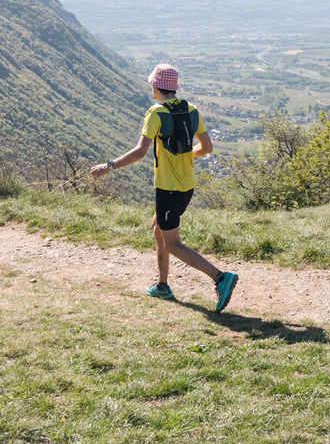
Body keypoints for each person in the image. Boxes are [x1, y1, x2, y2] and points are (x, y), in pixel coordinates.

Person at [90, 63, 238, 312]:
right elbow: (208, 148)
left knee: (173, 244)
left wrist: (109, 165)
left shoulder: (156, 113)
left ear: (156, 86)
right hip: (186, 185)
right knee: (158, 228)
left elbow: (140, 152)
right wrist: (188, 156)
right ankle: (162, 286)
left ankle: (221, 278)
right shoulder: (192, 110)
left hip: (168, 188)